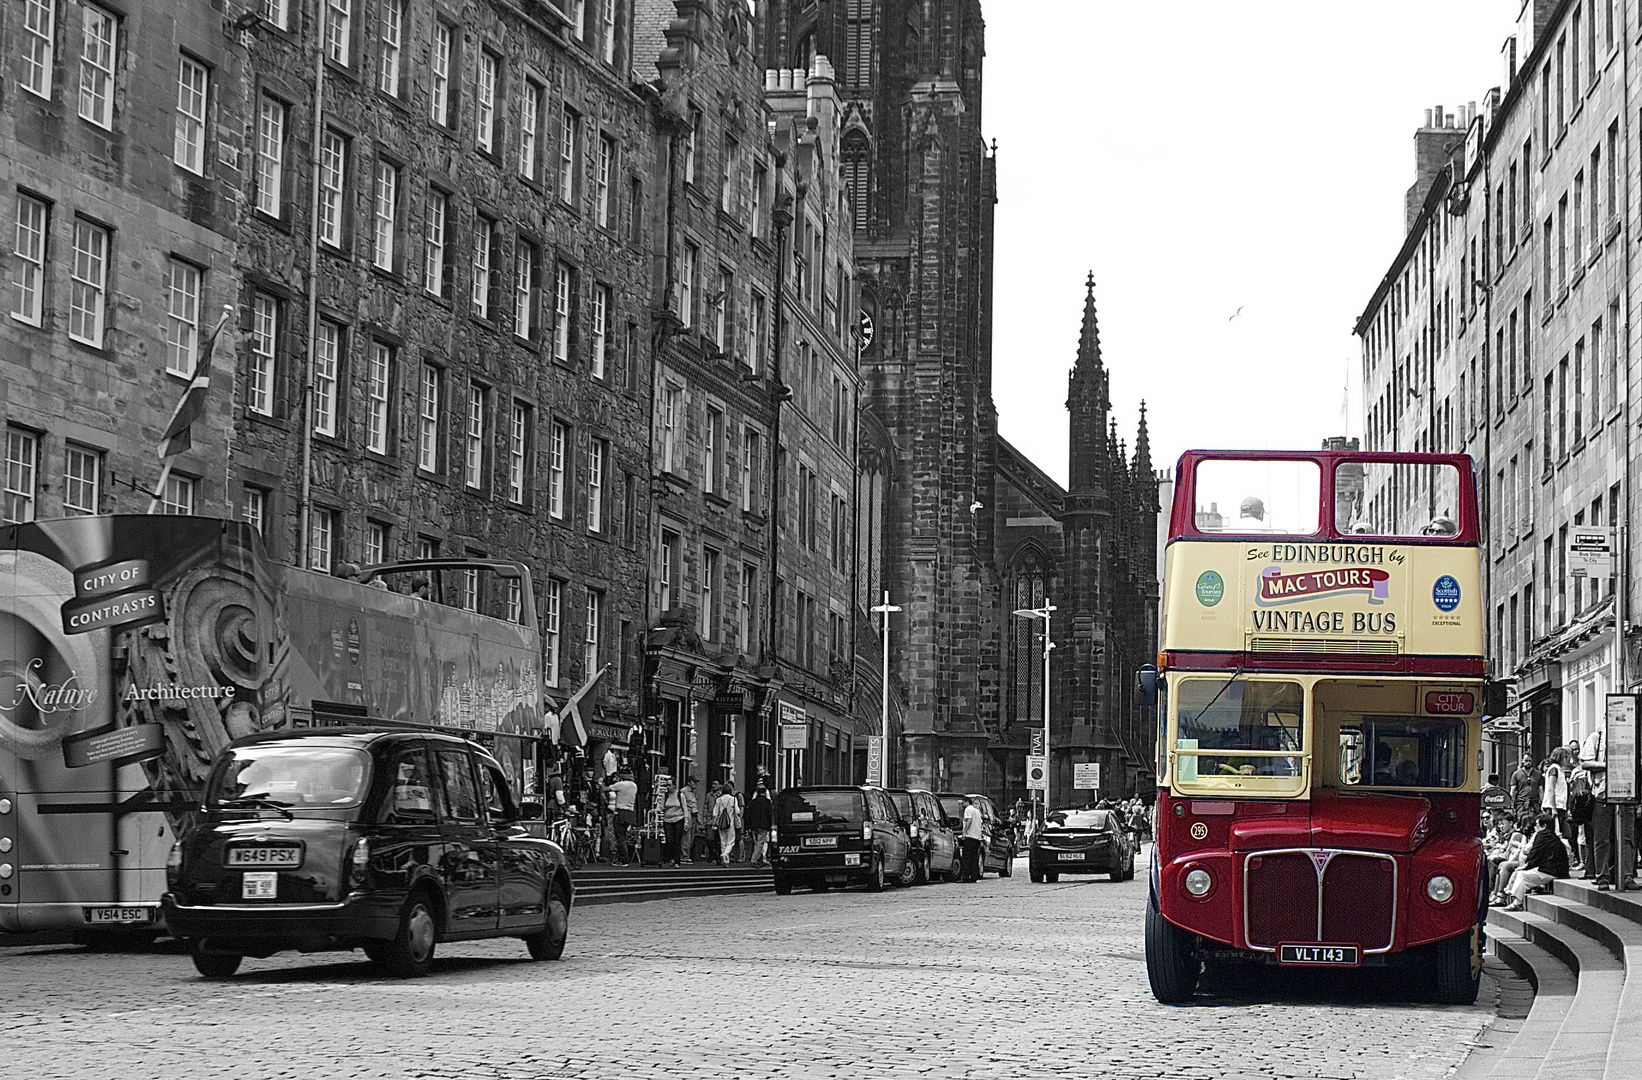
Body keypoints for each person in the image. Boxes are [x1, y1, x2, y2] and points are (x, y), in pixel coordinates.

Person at [1581, 726, 1639, 890]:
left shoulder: (1631, 736)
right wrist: (1609, 765)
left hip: (1627, 792)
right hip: (1603, 793)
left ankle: (1626, 875)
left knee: (1628, 837)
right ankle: (1603, 877)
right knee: (1602, 838)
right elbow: (1585, 763)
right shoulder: (1597, 737)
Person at [1503, 812, 1571, 911]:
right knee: (1522, 875)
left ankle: (1517, 903)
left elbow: (1535, 853)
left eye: (1537, 825)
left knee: (1522, 874)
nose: (1535, 827)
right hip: (1554, 870)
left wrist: (1526, 866)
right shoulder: (1550, 836)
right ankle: (1515, 900)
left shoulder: (1543, 835)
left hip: (1552, 871)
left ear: (1544, 826)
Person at [658, 775, 688, 868]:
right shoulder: (665, 795)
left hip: (678, 819)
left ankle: (676, 861)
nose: (668, 787)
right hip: (667, 820)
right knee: (669, 840)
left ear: (674, 786)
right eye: (667, 785)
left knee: (677, 840)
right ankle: (671, 858)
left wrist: (686, 820)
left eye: (669, 785)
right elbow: (661, 806)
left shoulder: (680, 795)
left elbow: (685, 808)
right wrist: (657, 810)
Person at [611, 770, 639, 865]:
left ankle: (624, 859)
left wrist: (600, 783)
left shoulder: (621, 784)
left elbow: (606, 788)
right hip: (630, 812)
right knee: (623, 835)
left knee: (620, 837)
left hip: (620, 812)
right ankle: (623, 858)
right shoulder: (634, 786)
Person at [744, 781, 774, 867]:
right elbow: (770, 814)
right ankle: (754, 859)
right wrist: (770, 825)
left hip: (754, 825)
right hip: (764, 825)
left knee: (756, 842)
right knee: (760, 843)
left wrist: (749, 826)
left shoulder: (752, 802)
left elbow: (748, 814)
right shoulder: (767, 802)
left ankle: (759, 859)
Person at [959, 796, 985, 882]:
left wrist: (964, 832)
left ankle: (966, 877)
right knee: (974, 859)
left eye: (962, 803)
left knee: (966, 858)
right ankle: (974, 877)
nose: (962, 805)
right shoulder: (977, 811)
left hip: (970, 836)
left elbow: (969, 821)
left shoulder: (968, 810)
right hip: (976, 837)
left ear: (966, 802)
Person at [713, 784, 740, 865]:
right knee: (731, 841)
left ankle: (725, 860)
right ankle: (725, 854)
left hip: (720, 823)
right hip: (730, 822)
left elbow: (715, 812)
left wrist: (714, 823)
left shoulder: (719, 799)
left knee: (723, 840)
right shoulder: (733, 799)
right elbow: (737, 811)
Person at [680, 774, 700, 864]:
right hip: (687, 814)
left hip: (693, 814)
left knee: (691, 836)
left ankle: (686, 854)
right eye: (694, 782)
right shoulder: (684, 791)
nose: (695, 784)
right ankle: (684, 855)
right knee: (686, 836)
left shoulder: (693, 792)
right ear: (689, 782)